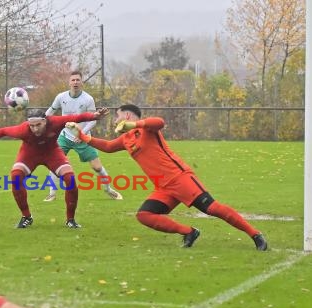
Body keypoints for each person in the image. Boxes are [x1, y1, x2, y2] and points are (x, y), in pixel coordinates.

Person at [68, 104, 268, 250]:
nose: (115, 120)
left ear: (127, 116)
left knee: (212, 208)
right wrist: (82, 136)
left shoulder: (146, 128)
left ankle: (255, 235)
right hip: (163, 188)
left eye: (117, 116)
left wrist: (133, 124)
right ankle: (189, 232)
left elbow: (160, 122)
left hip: (180, 179)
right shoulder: (126, 138)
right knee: (144, 215)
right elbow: (109, 147)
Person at [0, 107, 109, 229]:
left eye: (38, 125)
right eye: (32, 126)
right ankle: (26, 217)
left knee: (70, 180)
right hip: (29, 154)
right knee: (16, 177)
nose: (35, 129)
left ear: (45, 120)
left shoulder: (55, 122)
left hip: (52, 153)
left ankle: (70, 220)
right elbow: (1, 131)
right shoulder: (23, 130)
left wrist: (94, 116)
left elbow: (76, 117)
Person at [44, 70, 122, 202]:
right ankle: (52, 194)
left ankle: (108, 189)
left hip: (83, 138)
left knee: (97, 167)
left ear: (82, 83)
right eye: (73, 80)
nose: (75, 82)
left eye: (77, 80)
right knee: (54, 164)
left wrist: (82, 134)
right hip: (64, 136)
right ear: (69, 82)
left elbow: (92, 119)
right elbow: (50, 112)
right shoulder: (61, 97)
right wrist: (43, 122)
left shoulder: (88, 99)